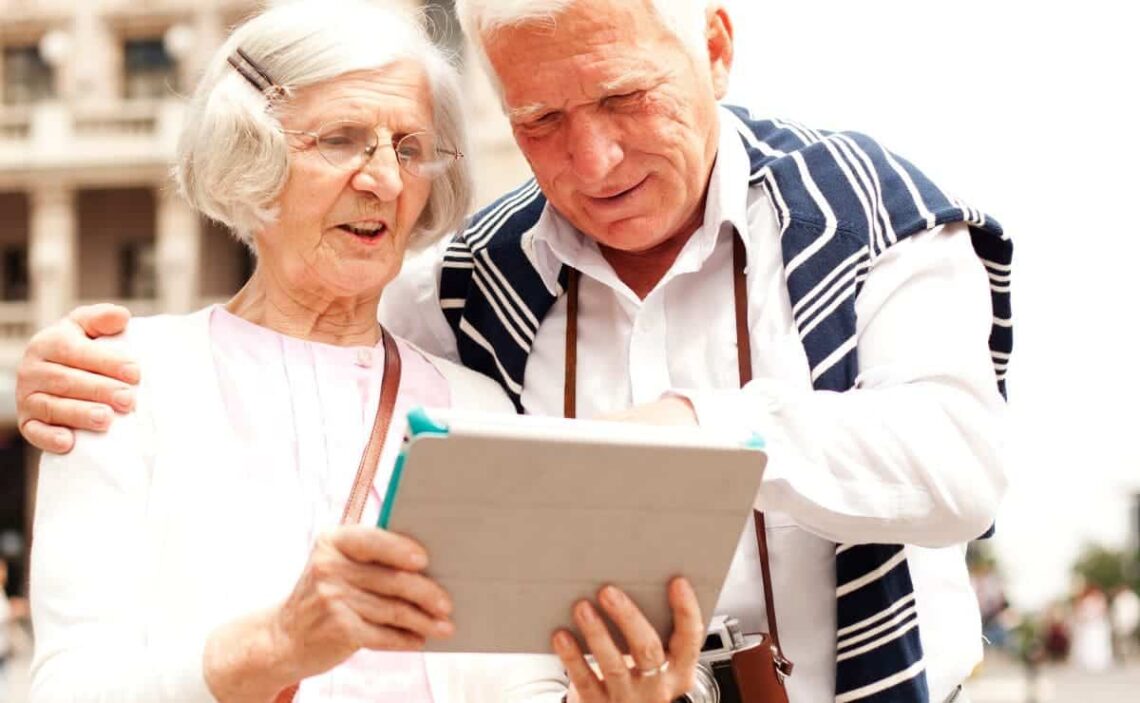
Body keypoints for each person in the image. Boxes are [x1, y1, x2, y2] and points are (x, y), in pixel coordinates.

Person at [15, 0, 1012, 701]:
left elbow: (962, 468)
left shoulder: (874, 209)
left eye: (408, 148)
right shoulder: (454, 292)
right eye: (540, 121)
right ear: (250, 154)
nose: (594, 159)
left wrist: (693, 433)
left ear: (714, 48)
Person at [22, 2, 702, 701]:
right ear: (247, 152)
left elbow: (513, 686)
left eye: (409, 147)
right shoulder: (120, 379)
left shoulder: (477, 404)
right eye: (342, 140)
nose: (385, 179)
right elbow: (67, 686)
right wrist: (279, 645)